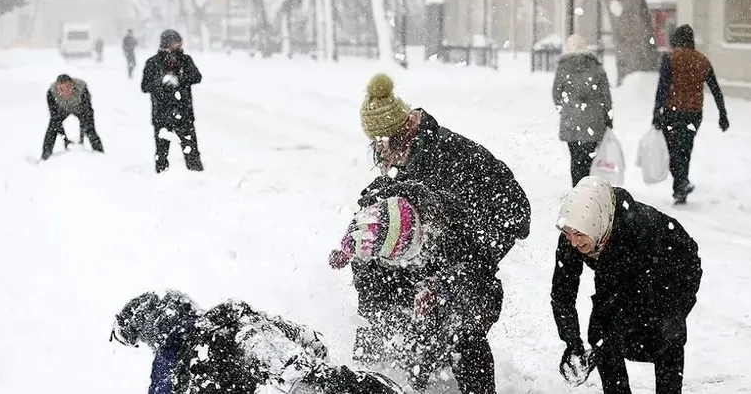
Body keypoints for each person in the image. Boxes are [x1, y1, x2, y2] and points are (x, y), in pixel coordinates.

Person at [333, 73, 531, 394]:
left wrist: (441, 280)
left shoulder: (450, 160)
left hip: (482, 241)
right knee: (386, 302)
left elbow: (505, 218)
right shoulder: (404, 165)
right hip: (437, 246)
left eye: (385, 147)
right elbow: (376, 214)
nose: (382, 158)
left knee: (459, 325)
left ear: (405, 132)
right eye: (375, 149)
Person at [550, 176, 702, 394]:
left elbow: (623, 296)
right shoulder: (575, 231)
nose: (574, 242)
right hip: (627, 274)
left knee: (665, 334)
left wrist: (673, 314)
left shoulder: (636, 228)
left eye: (580, 235)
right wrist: (571, 342)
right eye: (568, 234)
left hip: (672, 269)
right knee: (601, 333)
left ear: (597, 225)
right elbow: (562, 292)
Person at [109, 289, 405, 394]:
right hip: (252, 334)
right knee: (319, 380)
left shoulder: (168, 360)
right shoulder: (227, 312)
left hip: (217, 363)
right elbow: (308, 339)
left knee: (307, 385)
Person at [652, 24, 730, 204]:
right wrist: (722, 113)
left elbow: (662, 88)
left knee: (674, 151)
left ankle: (680, 184)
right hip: (693, 114)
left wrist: (657, 111)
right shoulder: (701, 60)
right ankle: (681, 186)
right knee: (685, 149)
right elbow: (715, 89)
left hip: (672, 112)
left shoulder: (670, 58)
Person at [552, 34, 614, 187]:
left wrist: (565, 109)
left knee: (575, 158)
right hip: (594, 119)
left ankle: (577, 189)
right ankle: (586, 188)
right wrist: (608, 117)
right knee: (588, 159)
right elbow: (606, 95)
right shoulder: (596, 66)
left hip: (571, 121)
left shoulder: (564, 66)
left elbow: (556, 93)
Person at [141, 29, 204, 173]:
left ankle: (198, 179)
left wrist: (179, 80)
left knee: (191, 151)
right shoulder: (153, 63)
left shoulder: (185, 60)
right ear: (167, 43)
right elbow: (145, 86)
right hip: (161, 114)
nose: (180, 45)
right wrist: (161, 83)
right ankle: (162, 179)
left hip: (184, 113)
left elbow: (197, 77)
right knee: (162, 152)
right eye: (176, 42)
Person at [41, 74, 104, 160]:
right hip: (62, 109)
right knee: (52, 129)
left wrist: (81, 139)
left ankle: (100, 154)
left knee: (90, 129)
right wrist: (65, 139)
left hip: (80, 108)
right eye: (61, 89)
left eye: (68, 88)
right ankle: (45, 156)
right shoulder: (51, 93)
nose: (65, 92)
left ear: (73, 85)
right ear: (56, 88)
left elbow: (87, 114)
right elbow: (55, 118)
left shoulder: (82, 89)